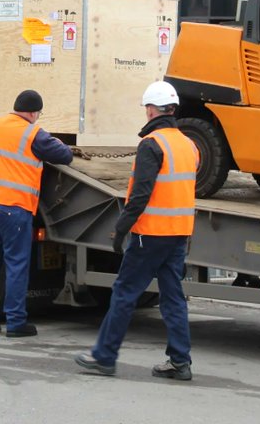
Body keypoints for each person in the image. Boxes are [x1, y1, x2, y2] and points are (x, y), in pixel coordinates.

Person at [75, 80, 199, 381]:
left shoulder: (151, 145)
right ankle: (180, 361)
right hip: (179, 233)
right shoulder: (189, 145)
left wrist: (120, 229)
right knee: (172, 297)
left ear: (151, 110)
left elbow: (141, 194)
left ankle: (104, 356)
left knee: (125, 293)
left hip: (151, 234)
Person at [0, 89, 73, 337]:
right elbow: (65, 156)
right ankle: (16, 323)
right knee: (16, 265)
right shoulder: (33, 133)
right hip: (14, 207)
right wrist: (59, 142)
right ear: (32, 112)